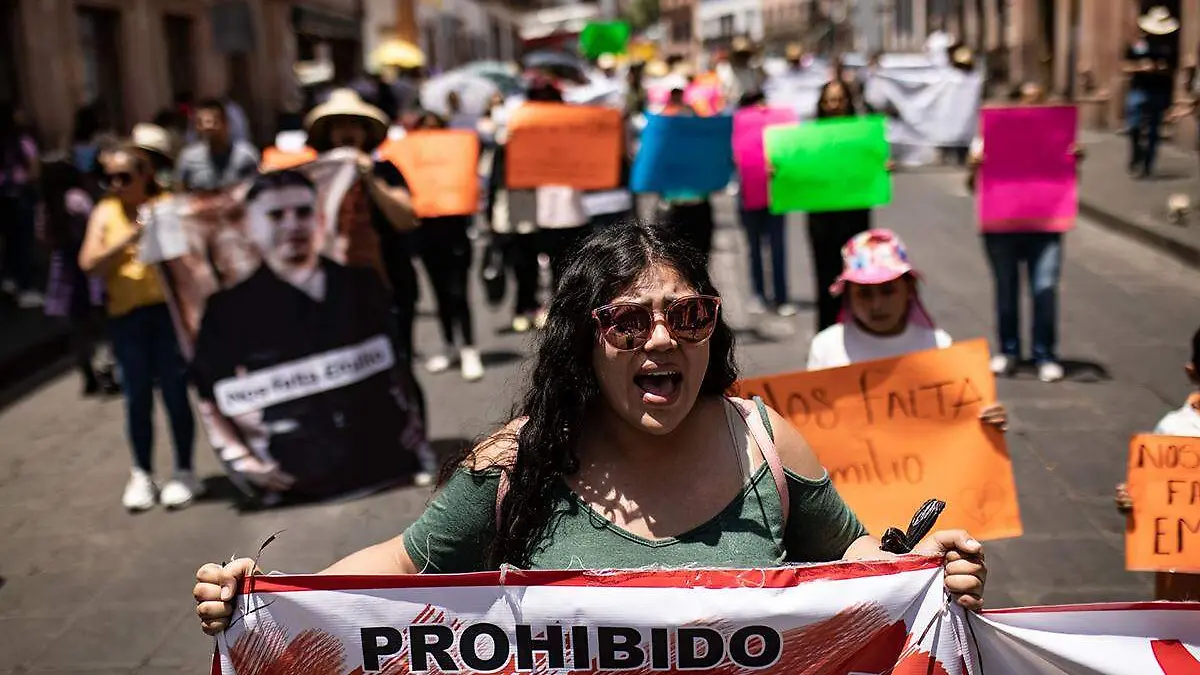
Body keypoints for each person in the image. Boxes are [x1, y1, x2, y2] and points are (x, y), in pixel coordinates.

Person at [194, 219, 987, 632]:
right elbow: (402, 561)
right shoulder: (515, 462)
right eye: (628, 321)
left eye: (688, 314)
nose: (662, 338)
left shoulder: (765, 441)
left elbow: (849, 552)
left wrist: (921, 568)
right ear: (584, 338)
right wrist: (266, 597)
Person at [189, 170, 437, 500]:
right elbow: (209, 393)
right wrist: (242, 458)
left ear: (319, 219)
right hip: (297, 472)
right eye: (276, 215)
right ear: (250, 227)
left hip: (384, 455)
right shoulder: (226, 310)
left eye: (303, 212)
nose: (292, 225)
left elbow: (398, 364)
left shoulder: (361, 285)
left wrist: (414, 431)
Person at [78, 143, 199, 511]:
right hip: (127, 318)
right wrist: (130, 237)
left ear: (144, 175)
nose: (116, 185)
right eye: (109, 178)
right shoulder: (106, 212)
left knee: (175, 393)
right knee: (137, 397)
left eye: (124, 177)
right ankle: (143, 472)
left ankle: (184, 471)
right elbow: (89, 263)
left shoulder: (166, 206)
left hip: (166, 315)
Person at [305, 88, 429, 422]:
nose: (347, 132)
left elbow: (406, 218)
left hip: (391, 286)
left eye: (354, 124)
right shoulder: (315, 180)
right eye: (339, 125)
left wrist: (370, 179)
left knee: (398, 364)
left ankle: (412, 434)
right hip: (338, 292)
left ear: (365, 132)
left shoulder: (385, 170)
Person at [804, 228, 1009, 425]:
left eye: (888, 291)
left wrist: (987, 418)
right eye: (864, 294)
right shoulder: (826, 346)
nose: (877, 305)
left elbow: (960, 419)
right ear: (848, 296)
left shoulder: (938, 345)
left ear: (909, 289)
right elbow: (814, 422)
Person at [968, 82, 1081, 383]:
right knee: (1006, 290)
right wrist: (975, 167)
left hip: (1045, 224)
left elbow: (1064, 181)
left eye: (1039, 99)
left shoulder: (1056, 134)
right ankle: (1009, 351)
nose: (1033, 105)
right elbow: (972, 186)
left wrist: (1072, 161)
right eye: (1028, 100)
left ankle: (1045, 354)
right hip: (1001, 225)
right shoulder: (990, 134)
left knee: (1044, 288)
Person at [1114, 325, 1200, 601]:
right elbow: (1156, 498)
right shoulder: (1173, 429)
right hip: (1184, 586)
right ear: (1192, 373)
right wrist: (1134, 501)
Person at [406, 112, 485, 382]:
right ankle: (449, 345)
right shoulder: (411, 158)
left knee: (459, 293)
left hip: (455, 234)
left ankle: (469, 348)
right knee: (438, 294)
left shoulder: (458, 154)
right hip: (425, 235)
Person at [803, 80, 881, 331]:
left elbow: (872, 167)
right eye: (829, 100)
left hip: (854, 216)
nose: (834, 105)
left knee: (856, 276)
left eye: (839, 99)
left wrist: (882, 167)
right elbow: (798, 171)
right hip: (822, 218)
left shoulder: (861, 134)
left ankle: (859, 332)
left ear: (848, 102)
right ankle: (827, 334)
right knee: (826, 279)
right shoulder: (809, 137)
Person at [39, 155, 115, 396]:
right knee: (104, 320)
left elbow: (43, 238)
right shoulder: (77, 199)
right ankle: (108, 368)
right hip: (88, 263)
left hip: (64, 270)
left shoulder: (45, 207)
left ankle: (87, 372)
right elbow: (96, 227)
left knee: (78, 326)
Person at [737, 90, 795, 317]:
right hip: (748, 196)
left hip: (775, 195)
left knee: (777, 247)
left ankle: (781, 297)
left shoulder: (778, 124)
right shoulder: (737, 127)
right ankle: (759, 293)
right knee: (755, 248)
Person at [656, 88, 715, 268]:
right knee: (678, 262)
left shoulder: (701, 143)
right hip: (677, 206)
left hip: (693, 206)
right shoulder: (665, 136)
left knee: (694, 261)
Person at [1122, 6, 1180, 179]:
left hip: (1159, 91)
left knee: (1154, 129)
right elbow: (1124, 66)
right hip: (1139, 89)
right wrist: (1140, 67)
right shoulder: (1137, 46)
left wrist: (1161, 69)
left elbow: (1174, 69)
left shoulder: (1168, 48)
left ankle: (1148, 163)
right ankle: (1136, 153)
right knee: (1134, 126)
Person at [0, 103, 44, 307]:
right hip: (19, 196)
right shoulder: (23, 142)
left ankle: (8, 278)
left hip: (2, 196)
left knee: (8, 240)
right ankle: (25, 288)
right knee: (22, 242)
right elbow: (34, 171)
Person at [175, 98, 260, 192]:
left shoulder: (246, 156)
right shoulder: (188, 157)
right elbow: (180, 192)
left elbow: (257, 190)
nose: (207, 127)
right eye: (200, 123)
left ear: (225, 123)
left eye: (213, 122)